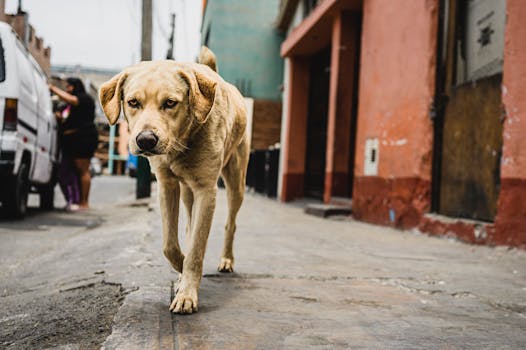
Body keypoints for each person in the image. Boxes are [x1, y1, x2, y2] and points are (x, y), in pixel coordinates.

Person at [49, 78, 98, 209]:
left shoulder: (84, 98)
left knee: (83, 171)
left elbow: (73, 100)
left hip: (84, 139)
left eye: (69, 86)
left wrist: (53, 89)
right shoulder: (68, 105)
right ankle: (76, 200)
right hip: (72, 141)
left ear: (76, 86)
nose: (67, 89)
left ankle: (84, 202)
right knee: (73, 171)